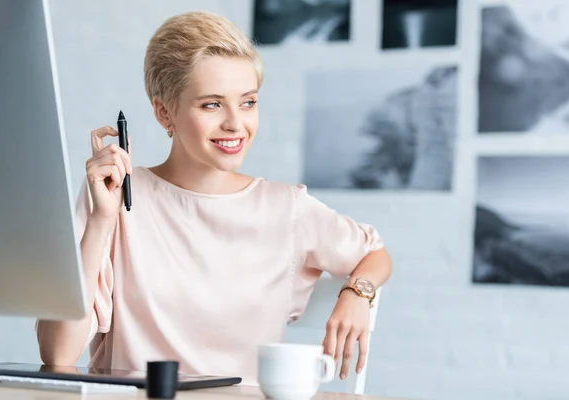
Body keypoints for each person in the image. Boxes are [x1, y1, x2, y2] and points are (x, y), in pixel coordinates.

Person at [36, 10, 392, 386]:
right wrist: (101, 221)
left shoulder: (287, 209)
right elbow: (57, 354)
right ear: (163, 112)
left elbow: (375, 254)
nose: (235, 124)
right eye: (211, 104)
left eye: (248, 102)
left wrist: (357, 294)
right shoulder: (114, 197)